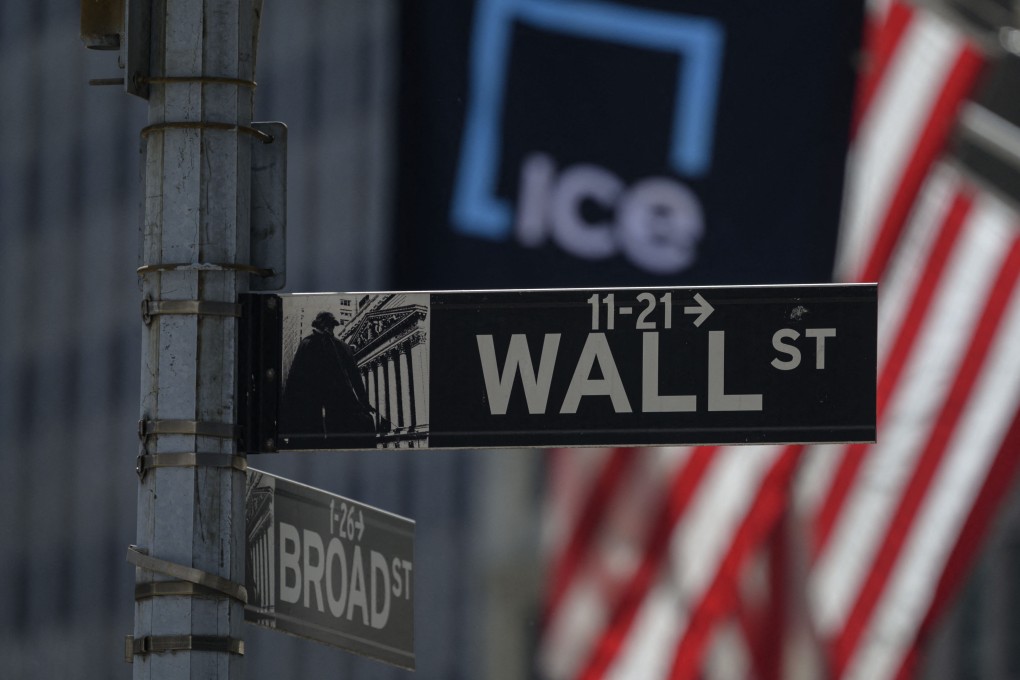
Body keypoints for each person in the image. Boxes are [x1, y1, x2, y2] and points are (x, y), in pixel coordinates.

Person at [280, 311, 377, 447]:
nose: (329, 329)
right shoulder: (315, 344)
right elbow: (294, 379)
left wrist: (364, 402)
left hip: (329, 406)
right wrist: (364, 402)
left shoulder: (336, 346)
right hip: (319, 405)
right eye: (328, 326)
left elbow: (293, 379)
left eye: (330, 326)